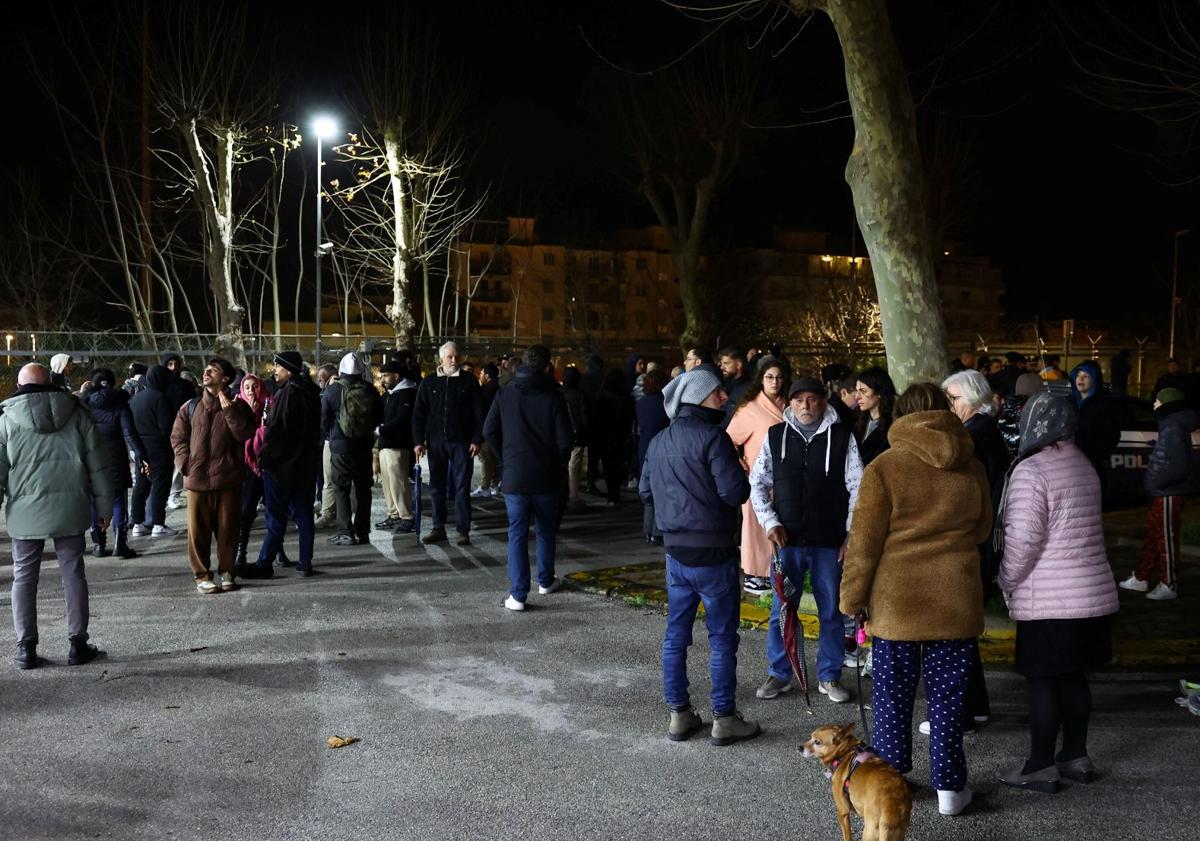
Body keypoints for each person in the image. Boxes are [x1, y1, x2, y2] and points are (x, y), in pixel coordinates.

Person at [840, 383, 992, 817]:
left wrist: (851, 599)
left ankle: (892, 785)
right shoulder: (973, 466)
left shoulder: (885, 467)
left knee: (891, 698)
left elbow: (864, 545)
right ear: (944, 411)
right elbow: (981, 531)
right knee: (948, 699)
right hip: (956, 599)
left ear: (900, 414)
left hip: (898, 603)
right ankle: (950, 791)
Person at [996, 392, 1119, 794]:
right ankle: (1076, 756)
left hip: (1049, 599)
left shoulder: (1033, 470)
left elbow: (1022, 541)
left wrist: (1006, 580)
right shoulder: (1082, 463)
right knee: (1073, 679)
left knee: (1043, 682)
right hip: (1090, 595)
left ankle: (1040, 765)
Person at [638, 367, 758, 745]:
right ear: (698, 398)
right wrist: (741, 472)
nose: (725, 398)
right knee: (722, 638)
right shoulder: (714, 439)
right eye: (717, 393)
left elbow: (645, 490)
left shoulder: (658, 441)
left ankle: (679, 714)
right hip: (715, 551)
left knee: (676, 637)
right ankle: (724, 718)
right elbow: (735, 493)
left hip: (676, 551)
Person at [750, 376, 863, 705]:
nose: (805, 406)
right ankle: (780, 672)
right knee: (781, 611)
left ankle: (829, 676)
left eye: (812, 399)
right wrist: (770, 522)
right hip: (787, 542)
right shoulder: (776, 436)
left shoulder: (843, 437)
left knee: (831, 611)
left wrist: (850, 535)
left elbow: (860, 487)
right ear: (790, 403)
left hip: (830, 543)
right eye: (799, 400)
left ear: (823, 402)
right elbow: (757, 483)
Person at [3, 363, 114, 670]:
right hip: (71, 508)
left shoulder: (6, 419)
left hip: (24, 513)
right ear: (51, 382)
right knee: (73, 574)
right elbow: (99, 465)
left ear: (20, 385)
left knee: (23, 577)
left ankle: (26, 647)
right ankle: (78, 644)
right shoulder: (77, 414)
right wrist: (105, 509)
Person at [935, 369, 1011, 735]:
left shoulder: (973, 436)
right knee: (961, 630)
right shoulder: (980, 432)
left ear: (974, 398)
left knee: (955, 630)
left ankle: (962, 713)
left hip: (972, 545)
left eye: (953, 398)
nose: (948, 405)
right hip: (979, 544)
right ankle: (976, 707)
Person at [484, 345, 573, 611]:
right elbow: (566, 441)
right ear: (547, 367)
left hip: (515, 475)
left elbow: (489, 430)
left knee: (517, 533)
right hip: (546, 475)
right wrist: (557, 463)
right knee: (546, 530)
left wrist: (505, 458)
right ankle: (545, 580)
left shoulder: (505, 394)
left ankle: (518, 594)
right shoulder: (554, 397)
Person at [170, 357, 256, 594]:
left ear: (225, 378)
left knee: (228, 529)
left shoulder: (239, 407)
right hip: (197, 479)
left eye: (214, 370)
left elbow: (244, 434)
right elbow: (177, 437)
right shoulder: (190, 406)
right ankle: (202, 575)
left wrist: (228, 410)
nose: (206, 372)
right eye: (206, 368)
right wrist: (186, 464)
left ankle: (227, 572)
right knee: (197, 532)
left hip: (228, 479)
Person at [245, 351, 323, 578]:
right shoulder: (311, 392)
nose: (274, 371)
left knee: (275, 516)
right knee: (303, 513)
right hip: (303, 465)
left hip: (281, 467)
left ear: (288, 369)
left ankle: (264, 563)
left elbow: (278, 432)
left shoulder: (288, 394)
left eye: (278, 367)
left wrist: (265, 458)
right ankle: (305, 560)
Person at [1120, 387, 1200, 600]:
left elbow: (1178, 464)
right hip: (1163, 492)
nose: (1153, 404)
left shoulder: (1173, 427)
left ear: (1167, 404)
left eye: (1157, 400)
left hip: (1167, 493)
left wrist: (1157, 482)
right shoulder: (1172, 425)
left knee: (1165, 538)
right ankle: (1141, 577)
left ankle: (1169, 584)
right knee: (1155, 536)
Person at [725, 356, 789, 595]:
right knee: (754, 526)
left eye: (779, 377)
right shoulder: (749, 408)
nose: (775, 382)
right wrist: (740, 463)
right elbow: (728, 439)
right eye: (769, 377)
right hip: (757, 478)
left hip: (786, 479)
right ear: (761, 379)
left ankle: (778, 570)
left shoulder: (789, 406)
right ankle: (755, 573)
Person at [412, 341, 483, 545]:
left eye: (456, 356)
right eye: (450, 356)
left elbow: (479, 413)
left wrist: (476, 439)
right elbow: (418, 414)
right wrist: (418, 441)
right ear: (441, 358)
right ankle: (438, 527)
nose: (454, 360)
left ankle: (463, 530)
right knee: (437, 486)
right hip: (436, 443)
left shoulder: (469, 381)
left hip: (462, 442)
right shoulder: (429, 383)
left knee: (462, 487)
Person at [83, 369, 147, 560]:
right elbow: (130, 434)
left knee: (95, 499)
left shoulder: (85, 407)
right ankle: (120, 543)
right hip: (116, 459)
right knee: (118, 499)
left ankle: (99, 544)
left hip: (92, 459)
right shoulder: (120, 405)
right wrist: (141, 456)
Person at [322, 352, 384, 547]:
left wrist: (331, 435)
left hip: (341, 447)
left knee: (341, 488)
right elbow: (379, 417)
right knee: (364, 490)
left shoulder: (332, 391)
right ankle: (363, 531)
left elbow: (323, 420)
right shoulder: (370, 390)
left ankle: (345, 531)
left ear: (341, 370)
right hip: (364, 447)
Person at [129, 365, 179, 538]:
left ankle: (137, 523)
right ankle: (158, 524)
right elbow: (166, 427)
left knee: (141, 484)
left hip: (140, 448)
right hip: (159, 448)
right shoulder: (160, 398)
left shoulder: (136, 398)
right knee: (160, 485)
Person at [231, 373, 274, 569]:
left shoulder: (270, 405)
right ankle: (241, 552)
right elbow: (235, 436)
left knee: (274, 511)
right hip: (247, 467)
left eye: (254, 387)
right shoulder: (236, 408)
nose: (251, 391)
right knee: (246, 511)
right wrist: (249, 415)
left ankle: (276, 552)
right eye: (247, 387)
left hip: (268, 464)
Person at [1070, 360, 1129, 496]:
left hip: (1091, 469)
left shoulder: (1104, 406)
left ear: (1095, 379)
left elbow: (1112, 436)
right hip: (1069, 469)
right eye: (1078, 375)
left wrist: (1093, 457)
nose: (1080, 379)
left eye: (1086, 376)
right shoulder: (1070, 404)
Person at [376, 359, 419, 534]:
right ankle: (394, 514)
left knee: (398, 482)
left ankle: (407, 516)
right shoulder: (389, 394)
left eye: (386, 376)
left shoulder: (407, 393)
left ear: (396, 375)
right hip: (386, 443)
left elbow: (402, 419)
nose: (383, 380)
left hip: (398, 444)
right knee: (388, 482)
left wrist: (381, 429)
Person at [635, 367, 670, 543]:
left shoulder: (641, 403)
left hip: (644, 446)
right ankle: (658, 529)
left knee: (647, 491)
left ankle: (648, 529)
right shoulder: (666, 403)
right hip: (662, 447)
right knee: (661, 489)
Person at [591, 368, 633, 505]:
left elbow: (595, 417)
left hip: (604, 434)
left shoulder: (601, 394)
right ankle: (615, 493)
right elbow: (628, 416)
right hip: (618, 434)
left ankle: (611, 495)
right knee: (617, 464)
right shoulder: (624, 395)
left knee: (608, 465)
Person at [314, 363, 339, 528]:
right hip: (344, 439)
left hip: (330, 439)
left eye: (321, 378)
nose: (319, 381)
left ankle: (328, 512)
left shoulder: (329, 392)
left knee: (328, 480)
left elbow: (323, 418)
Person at [854, 367, 896, 466]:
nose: (857, 397)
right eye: (857, 391)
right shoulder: (858, 422)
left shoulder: (893, 426)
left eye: (863, 391)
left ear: (880, 393)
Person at [561, 366, 589, 510]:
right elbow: (584, 417)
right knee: (573, 466)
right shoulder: (578, 394)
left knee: (565, 465)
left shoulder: (560, 393)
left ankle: (565, 493)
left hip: (562, 434)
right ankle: (573, 496)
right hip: (577, 435)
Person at [473, 363, 502, 497]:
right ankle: (495, 484)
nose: (480, 376)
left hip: (485, 430)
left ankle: (485, 486)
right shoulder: (500, 390)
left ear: (487, 376)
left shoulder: (484, 391)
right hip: (498, 430)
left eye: (481, 373)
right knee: (495, 458)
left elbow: (480, 412)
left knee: (485, 459)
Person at [718, 346, 751, 417]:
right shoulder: (725, 382)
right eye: (721, 363)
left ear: (738, 365)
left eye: (726, 363)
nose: (721, 367)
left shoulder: (747, 389)